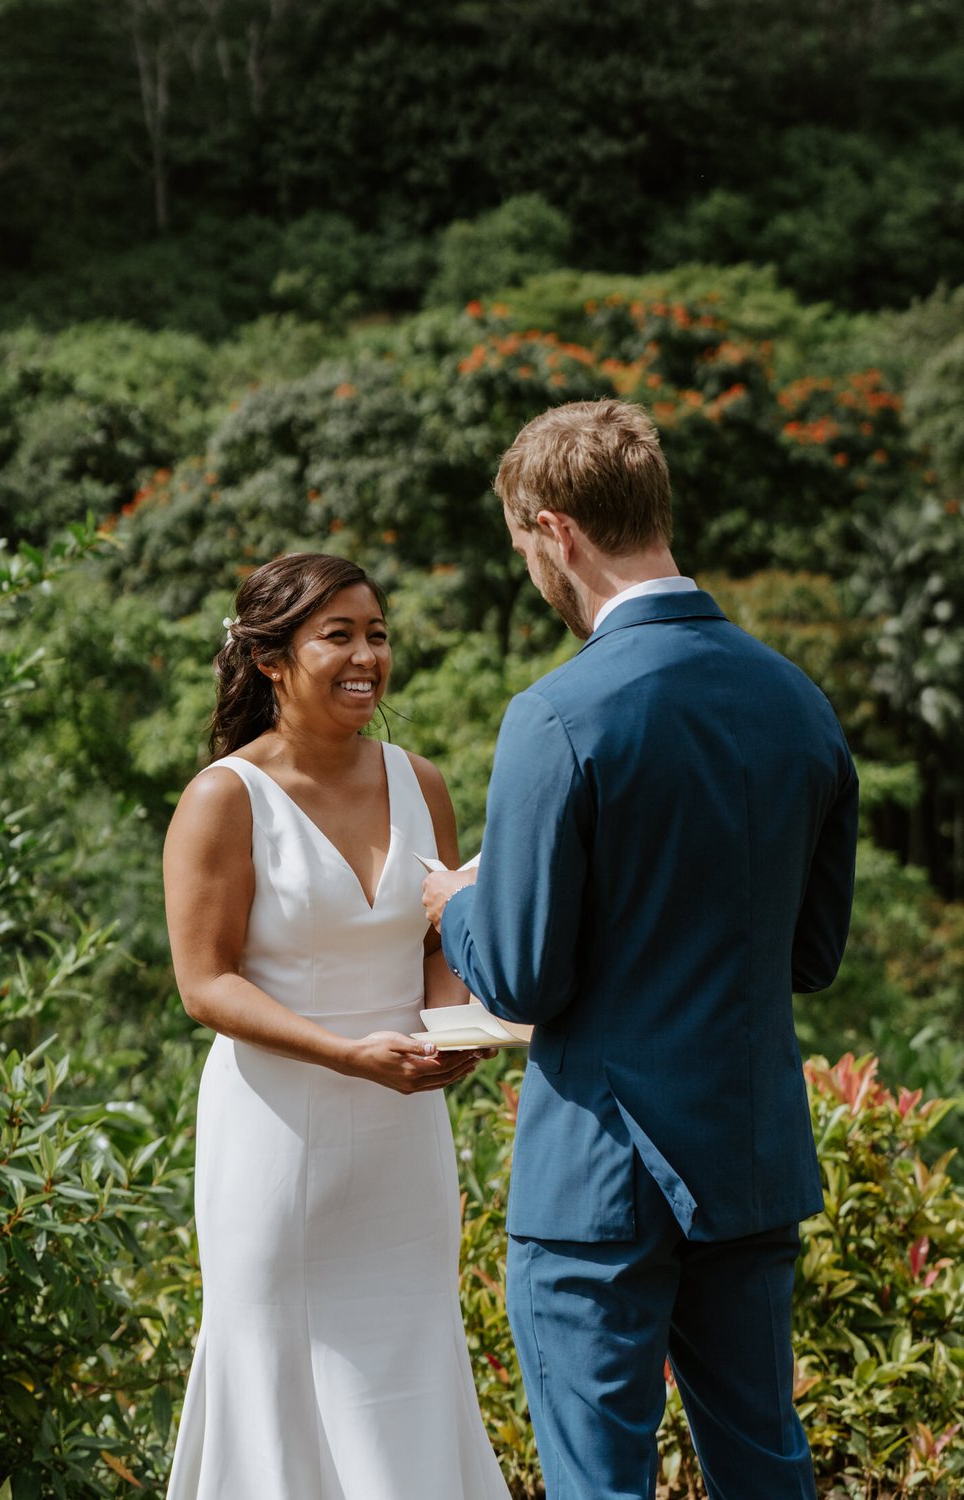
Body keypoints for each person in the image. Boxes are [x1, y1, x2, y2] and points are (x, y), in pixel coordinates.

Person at [422, 399, 859, 1500]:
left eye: (524, 547)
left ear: (554, 531)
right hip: (751, 1160)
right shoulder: (798, 704)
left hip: (599, 1179)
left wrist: (451, 904)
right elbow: (811, 957)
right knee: (766, 1467)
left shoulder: (557, 716)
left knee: (597, 1485)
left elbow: (518, 976)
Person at [163, 552, 509, 1500]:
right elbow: (205, 985)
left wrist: (459, 1029)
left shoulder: (420, 782)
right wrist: (346, 1056)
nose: (368, 656)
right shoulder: (223, 798)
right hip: (278, 1140)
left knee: (411, 1358)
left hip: (404, 1139)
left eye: (378, 635)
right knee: (277, 1365)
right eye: (339, 635)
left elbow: (439, 945)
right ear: (273, 658)